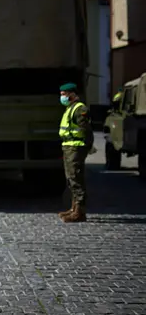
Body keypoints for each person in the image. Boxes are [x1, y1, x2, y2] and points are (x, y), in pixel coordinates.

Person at [58, 82, 93, 223]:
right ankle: (73, 209)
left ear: (72, 94)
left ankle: (80, 212)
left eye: (64, 95)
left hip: (76, 148)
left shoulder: (79, 108)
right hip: (68, 146)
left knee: (76, 179)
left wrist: (87, 146)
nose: (62, 97)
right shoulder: (70, 108)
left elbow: (86, 130)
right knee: (71, 179)